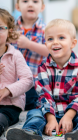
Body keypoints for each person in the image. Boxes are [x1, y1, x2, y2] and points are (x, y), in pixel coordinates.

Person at [6, 19, 78, 140]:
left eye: (61, 38)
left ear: (73, 43)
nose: (55, 42)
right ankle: (30, 133)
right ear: (46, 44)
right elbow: (44, 95)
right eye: (50, 39)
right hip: (48, 111)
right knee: (34, 114)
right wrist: (50, 118)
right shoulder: (43, 67)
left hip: (75, 110)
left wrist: (68, 117)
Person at [0, 8, 33, 136]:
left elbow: (28, 79)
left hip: (10, 105)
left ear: (10, 32)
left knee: (1, 119)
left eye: (0, 28)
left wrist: (7, 90)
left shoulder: (15, 55)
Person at [12, 0, 49, 110]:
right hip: (11, 78)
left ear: (42, 7)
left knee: (28, 102)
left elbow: (50, 51)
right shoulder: (11, 28)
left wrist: (28, 44)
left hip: (32, 81)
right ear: (17, 6)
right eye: (25, 1)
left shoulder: (46, 30)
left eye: (35, 1)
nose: (30, 4)